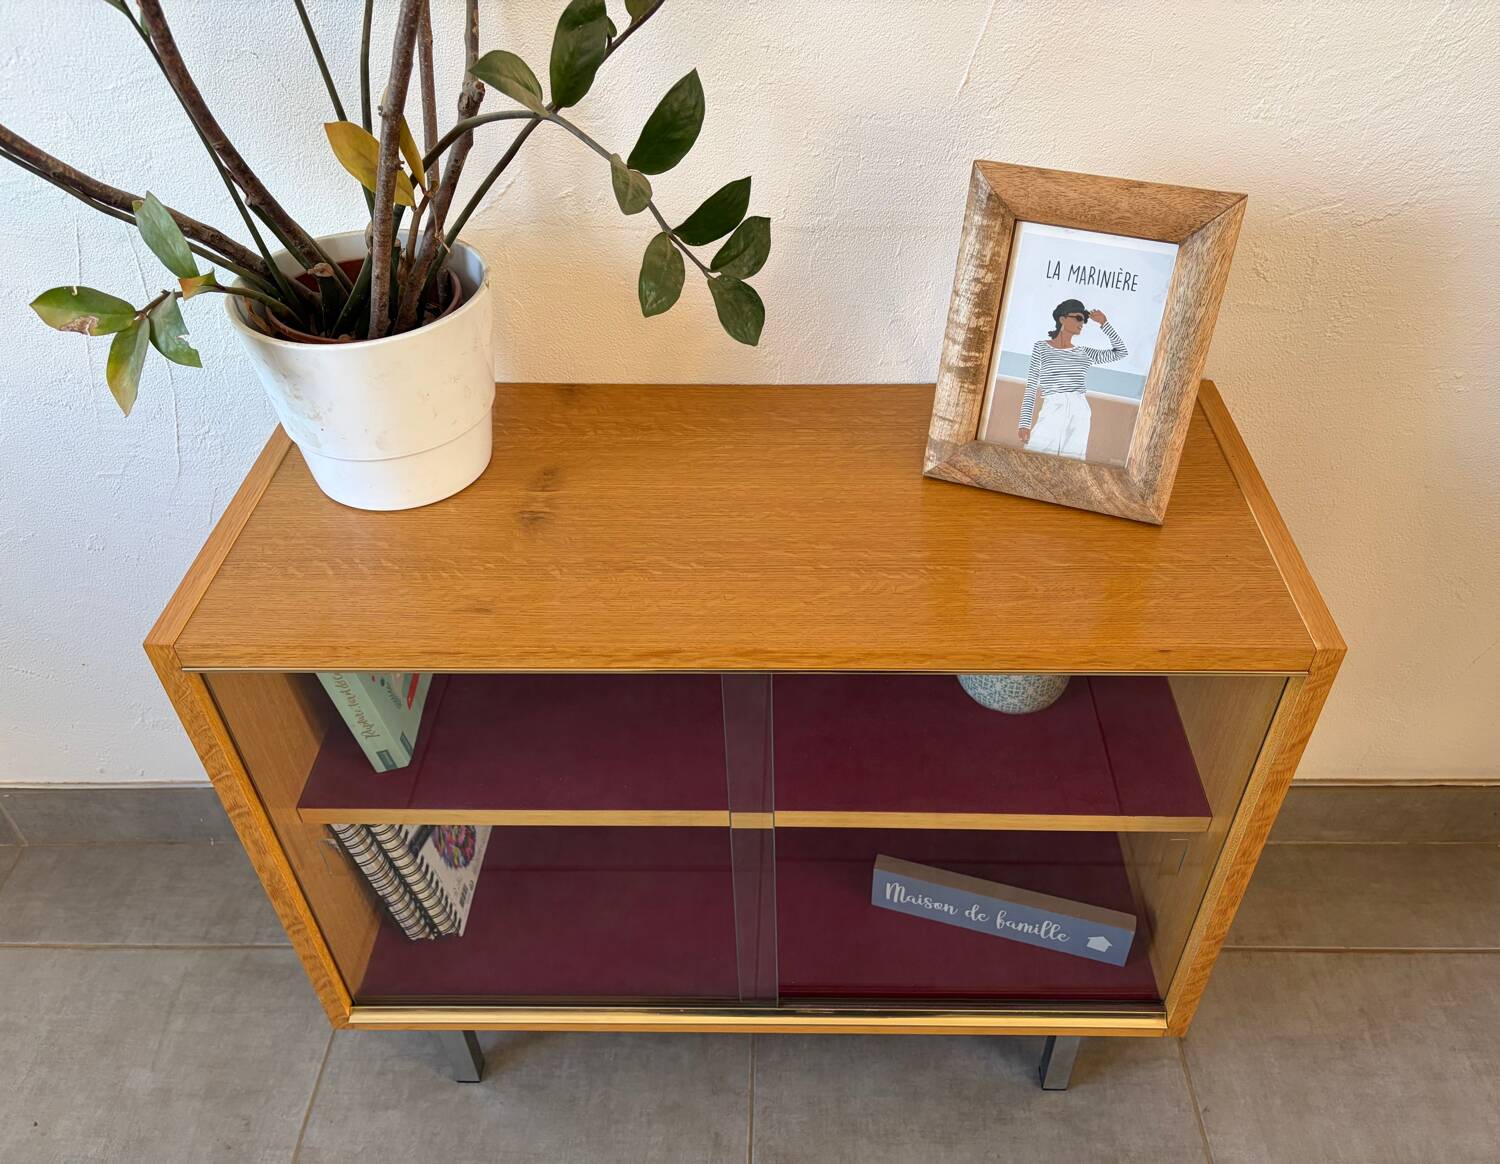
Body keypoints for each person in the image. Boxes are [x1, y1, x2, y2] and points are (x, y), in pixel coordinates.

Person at [1018, 298, 1127, 460]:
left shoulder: (1084, 353)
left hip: (1079, 410)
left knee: (1072, 462)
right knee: (1034, 458)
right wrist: (1024, 423)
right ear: (1062, 319)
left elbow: (1121, 352)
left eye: (1084, 320)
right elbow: (1031, 387)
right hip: (1053, 407)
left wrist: (1104, 323)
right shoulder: (1041, 347)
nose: (1082, 323)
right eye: (1078, 318)